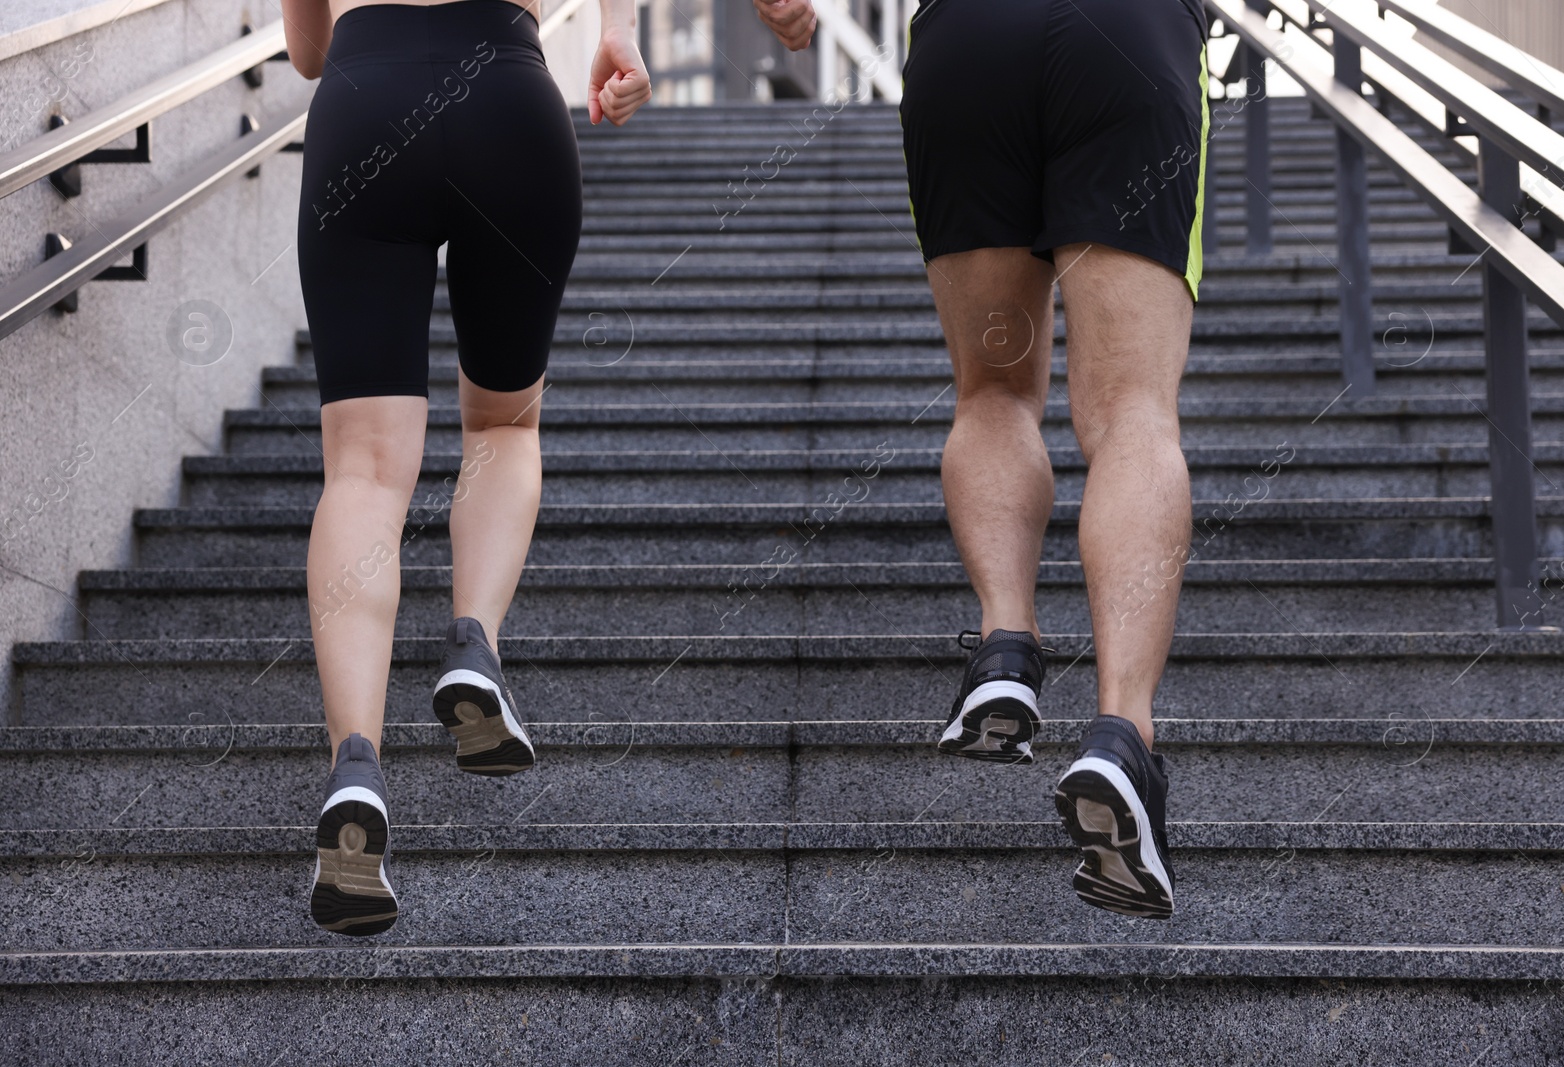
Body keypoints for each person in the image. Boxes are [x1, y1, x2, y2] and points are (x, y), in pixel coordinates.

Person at [754, 0, 1206, 920]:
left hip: (972, 46)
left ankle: (1005, 645)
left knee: (994, 391)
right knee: (1131, 412)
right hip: (1128, 39)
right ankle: (1122, 735)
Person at [280, 0, 650, 936]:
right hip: (507, 98)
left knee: (363, 470)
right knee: (502, 425)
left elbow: (306, 50)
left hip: (365, 95)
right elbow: (612, 35)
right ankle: (474, 642)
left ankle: (356, 762)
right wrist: (621, 36)